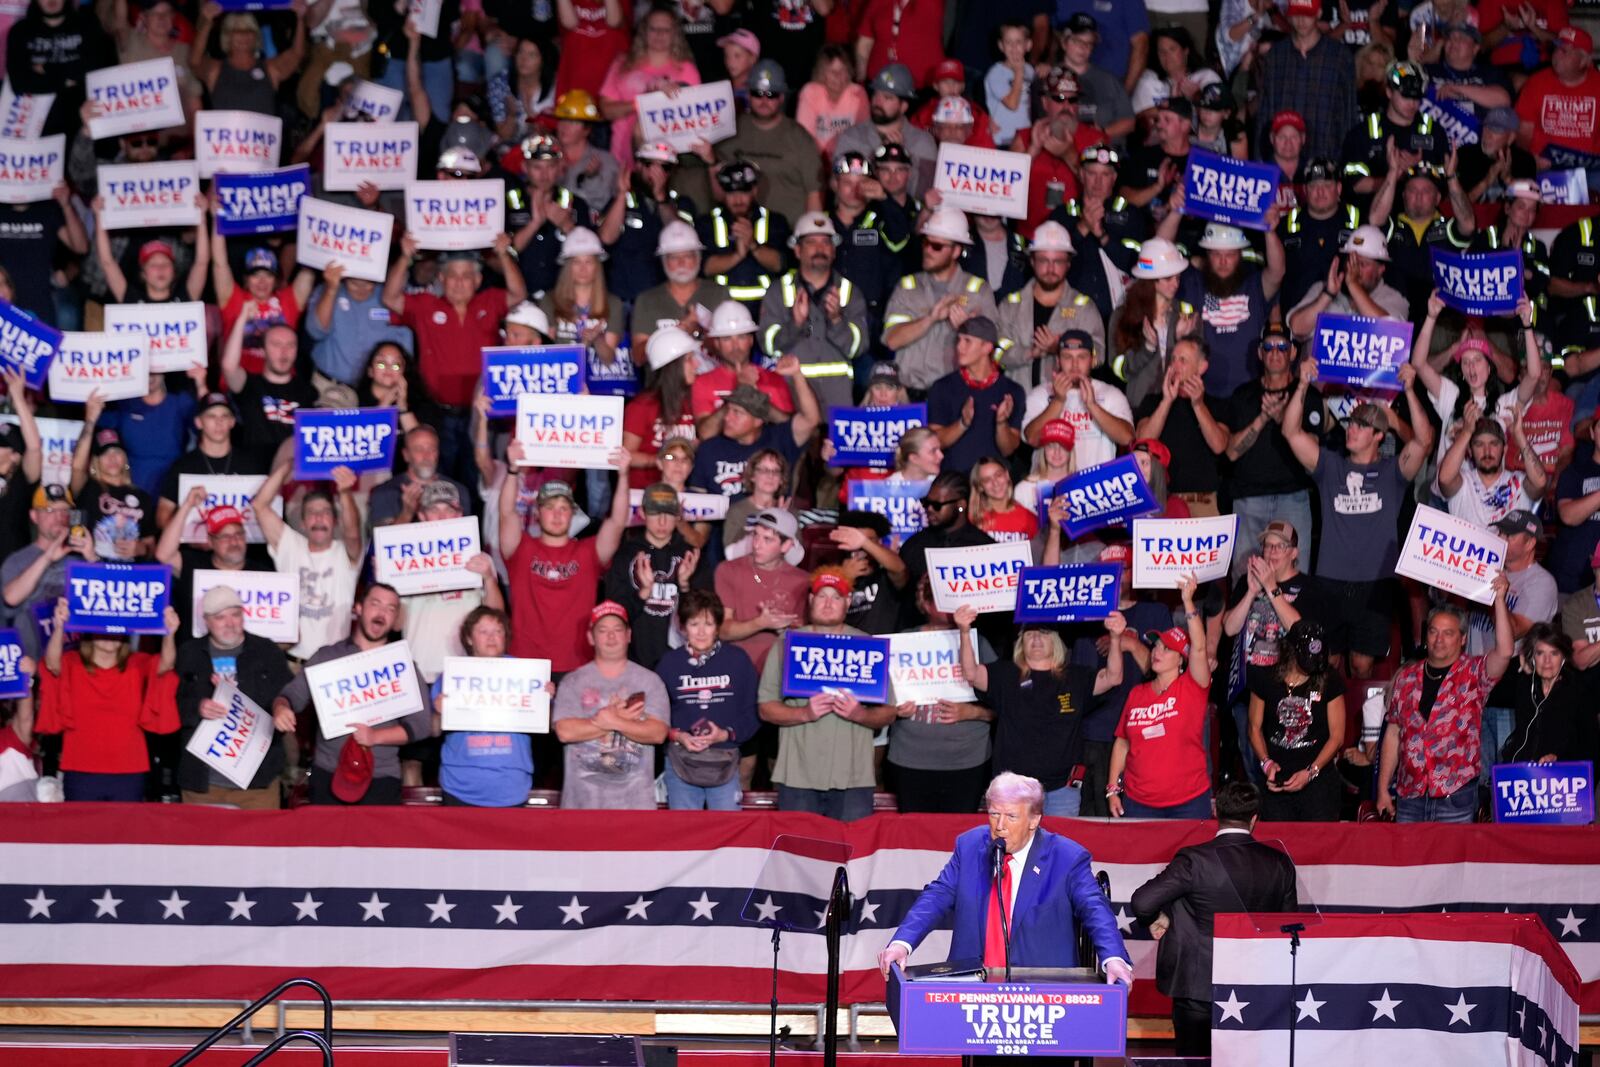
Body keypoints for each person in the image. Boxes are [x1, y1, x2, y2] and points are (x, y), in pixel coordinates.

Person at [877, 771, 1133, 984]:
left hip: (1043, 991)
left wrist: (1113, 958)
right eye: (993, 814)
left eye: (1011, 816)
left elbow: (1094, 908)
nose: (1000, 825)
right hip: (974, 986)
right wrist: (903, 942)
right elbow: (937, 896)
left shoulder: (1066, 857)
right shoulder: (969, 846)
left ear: (1034, 820)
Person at [1283, 358, 1432, 677]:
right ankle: (1332, 727)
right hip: (1331, 579)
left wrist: (1410, 390)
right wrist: (1302, 385)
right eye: (1351, 423)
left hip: (1375, 582)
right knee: (1328, 662)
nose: (1352, 428)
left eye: (1362, 425)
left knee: (1362, 664)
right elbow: (1291, 432)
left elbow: (1424, 442)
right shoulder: (1330, 466)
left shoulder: (1392, 472)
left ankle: (1362, 727)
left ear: (1379, 435)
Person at [1129, 781, 1299, 1057]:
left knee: (1193, 1060)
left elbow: (1142, 901)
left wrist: (1158, 916)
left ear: (1215, 813)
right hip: (1255, 983)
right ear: (1254, 818)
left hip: (1197, 987)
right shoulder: (1279, 863)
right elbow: (1289, 926)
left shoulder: (1195, 860)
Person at [272, 584, 434, 805]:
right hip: (328, 772)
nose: (381, 613)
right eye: (375, 604)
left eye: (390, 608)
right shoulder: (327, 657)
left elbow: (421, 725)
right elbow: (292, 696)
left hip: (382, 779)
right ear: (358, 608)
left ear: (396, 619)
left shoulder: (404, 665)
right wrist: (281, 707)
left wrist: (375, 737)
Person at [957, 603, 1125, 816]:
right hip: (1013, 790)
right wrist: (964, 631)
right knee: (1012, 847)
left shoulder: (1076, 676)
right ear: (1020, 642)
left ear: (1055, 641)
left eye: (1043, 633)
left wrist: (1116, 637)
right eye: (1029, 634)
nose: (1036, 639)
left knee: (1058, 848)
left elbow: (1113, 677)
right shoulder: (1005, 674)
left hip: (1062, 789)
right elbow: (971, 674)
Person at [757, 568, 895, 819]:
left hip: (853, 777)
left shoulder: (868, 646)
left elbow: (889, 713)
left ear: (848, 602)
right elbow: (765, 707)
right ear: (810, 601)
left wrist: (860, 714)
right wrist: (804, 713)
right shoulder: (787, 643)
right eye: (822, 596)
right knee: (797, 854)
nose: (828, 603)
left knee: (850, 855)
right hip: (797, 775)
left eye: (836, 597)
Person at [1377, 583, 1515, 823]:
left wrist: (1500, 600)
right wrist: (1382, 789)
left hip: (1456, 795)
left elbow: (1504, 652)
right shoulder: (1407, 678)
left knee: (1452, 861)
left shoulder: (1474, 673)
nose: (1439, 639)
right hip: (1410, 794)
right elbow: (1393, 733)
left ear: (1463, 639)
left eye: (1448, 633)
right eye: (1433, 631)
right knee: (1410, 861)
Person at [500, 447, 633, 674]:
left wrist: (623, 475)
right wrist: (513, 470)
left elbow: (617, 523)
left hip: (577, 665)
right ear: (537, 513)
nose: (557, 514)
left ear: (572, 514)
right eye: (550, 508)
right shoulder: (521, 549)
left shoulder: (588, 552)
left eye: (563, 508)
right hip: (525, 663)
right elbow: (506, 514)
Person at [173, 585, 295, 809]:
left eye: (235, 615)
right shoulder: (188, 653)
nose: (230, 623)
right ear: (206, 621)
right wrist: (197, 708)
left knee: (259, 844)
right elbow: (170, 705)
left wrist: (282, 707)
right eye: (220, 617)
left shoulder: (267, 651)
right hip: (203, 784)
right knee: (199, 844)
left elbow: (290, 695)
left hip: (258, 784)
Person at [1108, 574, 1212, 819]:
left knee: (1190, 859)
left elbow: (1198, 646)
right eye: (1156, 646)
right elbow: (1122, 742)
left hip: (1188, 804)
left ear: (1182, 660)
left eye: (1167, 649)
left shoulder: (1193, 686)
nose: (1157, 652)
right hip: (1138, 803)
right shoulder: (1137, 693)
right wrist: (1113, 788)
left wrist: (1187, 601)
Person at [551, 600, 671, 809]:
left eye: (617, 630)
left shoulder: (650, 681)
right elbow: (565, 732)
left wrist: (615, 720)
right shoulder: (573, 681)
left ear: (629, 635)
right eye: (603, 630)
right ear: (590, 637)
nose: (611, 636)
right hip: (581, 804)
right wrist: (612, 720)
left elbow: (657, 733)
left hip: (635, 805)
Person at [655, 589, 760, 811]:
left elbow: (753, 713)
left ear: (718, 627)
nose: (701, 632)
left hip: (725, 759)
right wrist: (678, 735)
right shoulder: (669, 664)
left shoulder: (738, 660)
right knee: (684, 836)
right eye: (694, 624)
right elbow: (655, 716)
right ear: (682, 628)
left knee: (729, 834)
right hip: (680, 760)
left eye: (708, 624)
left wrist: (726, 734)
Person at [252, 457, 365, 662]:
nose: (319, 518)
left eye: (325, 512)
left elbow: (353, 532)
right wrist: (289, 465)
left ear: (335, 521)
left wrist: (345, 493)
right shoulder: (290, 545)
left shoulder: (345, 553)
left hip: (334, 665)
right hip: (292, 663)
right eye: (312, 513)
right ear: (303, 523)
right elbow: (260, 505)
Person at [881, 206, 1000, 395]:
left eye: (936, 246)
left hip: (956, 396)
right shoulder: (908, 286)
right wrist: (931, 318)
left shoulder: (979, 291)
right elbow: (892, 341)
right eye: (926, 242)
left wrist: (966, 329)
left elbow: (993, 352)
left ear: (956, 251)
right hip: (909, 395)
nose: (928, 250)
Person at [434, 607, 534, 808]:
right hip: (459, 787)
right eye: (483, 631)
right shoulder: (451, 675)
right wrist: (438, 712)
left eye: (498, 631)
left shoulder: (527, 673)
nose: (492, 638)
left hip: (512, 788)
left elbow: (547, 724)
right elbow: (433, 730)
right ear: (469, 638)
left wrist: (545, 696)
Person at [1246, 620, 1346, 822]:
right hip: (1278, 777)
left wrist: (1311, 772)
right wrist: (1266, 763)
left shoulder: (1329, 679)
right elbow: (1254, 727)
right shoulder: (1266, 677)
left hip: (1318, 780)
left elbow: (1337, 737)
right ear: (1290, 652)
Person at [604, 482, 700, 670]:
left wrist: (685, 585)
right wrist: (643, 593)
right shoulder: (625, 554)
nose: (662, 522)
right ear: (642, 513)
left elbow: (703, 619)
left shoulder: (690, 556)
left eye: (669, 514)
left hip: (682, 663)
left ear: (678, 515)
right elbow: (613, 617)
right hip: (635, 662)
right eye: (655, 513)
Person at [1253, 0, 1358, 162]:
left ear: (1318, 14)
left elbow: (1348, 113)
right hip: (1281, 159)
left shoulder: (1340, 57)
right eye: (1296, 14)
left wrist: (1347, 162)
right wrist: (1260, 162)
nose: (1301, 20)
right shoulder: (1275, 56)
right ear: (1289, 16)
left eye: (1307, 14)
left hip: (1326, 157)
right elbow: (1265, 112)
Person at [2, 485, 96, 659]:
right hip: (33, 665)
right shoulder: (17, 560)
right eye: (49, 510)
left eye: (65, 510)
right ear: (34, 516)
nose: (59, 517)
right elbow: (10, 598)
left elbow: (110, 604)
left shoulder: (80, 558)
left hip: (74, 664)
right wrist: (47, 557)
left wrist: (92, 557)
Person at [927, 317, 1026, 474]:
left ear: (986, 347)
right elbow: (935, 442)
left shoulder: (1012, 391)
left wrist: (1001, 423)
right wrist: (963, 423)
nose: (959, 347)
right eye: (958, 340)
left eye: (967, 341)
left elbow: (1008, 450)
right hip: (954, 484)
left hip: (993, 486)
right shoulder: (942, 387)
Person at [1502, 624, 1600, 766]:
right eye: (1540, 653)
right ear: (1532, 657)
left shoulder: (1579, 691)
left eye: (1554, 653)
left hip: (1565, 777)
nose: (1547, 661)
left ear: (1563, 657)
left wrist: (1558, 757)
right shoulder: (1526, 686)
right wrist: (1521, 662)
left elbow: (1590, 747)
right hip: (1525, 776)